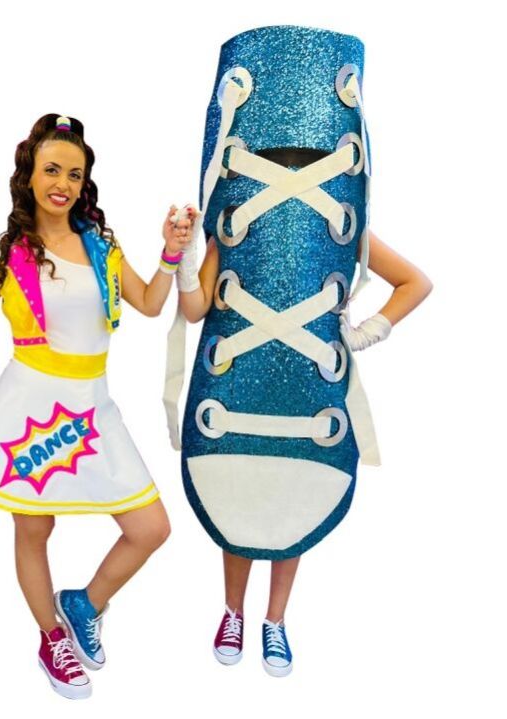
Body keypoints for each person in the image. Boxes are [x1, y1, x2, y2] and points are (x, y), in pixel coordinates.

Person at [167, 26, 433, 677]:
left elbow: (415, 283)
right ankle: (233, 611)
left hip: (307, 389)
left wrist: (367, 330)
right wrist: (180, 258)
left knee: (291, 500)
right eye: (277, 157)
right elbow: (196, 309)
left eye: (302, 158)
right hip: (238, 382)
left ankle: (275, 620)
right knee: (239, 498)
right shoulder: (227, 226)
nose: (289, 165)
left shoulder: (347, 227)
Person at [0, 114, 188, 699]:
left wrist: (171, 254)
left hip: (93, 405)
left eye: (75, 174)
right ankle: (51, 637)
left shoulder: (102, 244)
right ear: (28, 175)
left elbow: (149, 303)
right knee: (35, 528)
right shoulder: (4, 252)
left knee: (150, 527)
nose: (63, 184)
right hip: (30, 406)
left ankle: (83, 603)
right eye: (52, 170)